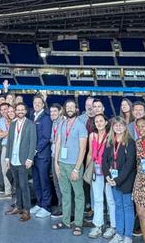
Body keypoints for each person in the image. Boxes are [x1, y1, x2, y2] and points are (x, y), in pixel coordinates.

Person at [51, 99, 88, 237]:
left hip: (74, 165)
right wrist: (56, 163)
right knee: (65, 194)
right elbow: (58, 143)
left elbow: (83, 149)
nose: (70, 108)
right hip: (61, 164)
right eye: (68, 106)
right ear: (65, 109)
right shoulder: (62, 123)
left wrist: (77, 169)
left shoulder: (81, 126)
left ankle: (78, 223)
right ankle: (66, 221)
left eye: (72, 106)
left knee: (78, 195)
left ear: (76, 109)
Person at [102, 116, 137, 243]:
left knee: (127, 207)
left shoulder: (130, 142)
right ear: (112, 127)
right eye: (116, 125)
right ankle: (119, 233)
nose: (118, 127)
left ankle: (128, 236)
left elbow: (130, 164)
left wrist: (117, 180)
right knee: (118, 206)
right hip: (112, 179)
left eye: (121, 125)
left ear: (125, 127)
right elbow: (104, 160)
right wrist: (107, 176)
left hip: (126, 180)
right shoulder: (109, 141)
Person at [4, 103, 37, 222]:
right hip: (13, 160)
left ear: (26, 111)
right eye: (18, 110)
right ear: (16, 111)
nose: (20, 111)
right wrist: (7, 158)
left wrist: (30, 158)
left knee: (24, 186)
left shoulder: (31, 124)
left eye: (22, 109)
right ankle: (18, 207)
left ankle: (26, 211)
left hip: (23, 160)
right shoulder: (13, 124)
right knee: (17, 185)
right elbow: (9, 141)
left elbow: (33, 142)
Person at [87, 113, 116, 239]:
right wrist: (87, 169)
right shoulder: (92, 135)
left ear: (106, 122)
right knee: (98, 199)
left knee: (110, 200)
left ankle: (113, 226)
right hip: (96, 170)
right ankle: (98, 225)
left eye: (101, 121)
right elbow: (90, 153)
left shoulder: (111, 136)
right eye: (96, 121)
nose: (99, 123)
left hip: (108, 171)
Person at [30, 94, 53, 218]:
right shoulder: (32, 115)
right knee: (36, 180)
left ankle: (46, 207)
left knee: (44, 181)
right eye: (35, 103)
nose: (37, 104)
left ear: (43, 104)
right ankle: (39, 203)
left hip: (42, 155)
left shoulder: (46, 118)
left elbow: (46, 137)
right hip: (33, 156)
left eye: (39, 102)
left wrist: (35, 149)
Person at [48, 103, 64, 218]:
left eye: (55, 111)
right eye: (51, 111)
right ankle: (60, 205)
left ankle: (64, 208)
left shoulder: (63, 123)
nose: (52, 113)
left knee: (62, 184)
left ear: (60, 111)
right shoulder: (54, 123)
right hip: (54, 155)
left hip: (61, 157)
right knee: (56, 183)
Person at [0, 102, 14, 201]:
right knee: (4, 170)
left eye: (5, 109)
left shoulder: (15, 120)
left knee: (15, 170)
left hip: (15, 148)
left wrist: (3, 133)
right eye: (2, 110)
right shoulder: (1, 120)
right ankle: (8, 192)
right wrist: (8, 133)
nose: (4, 111)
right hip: (5, 147)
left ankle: (16, 190)